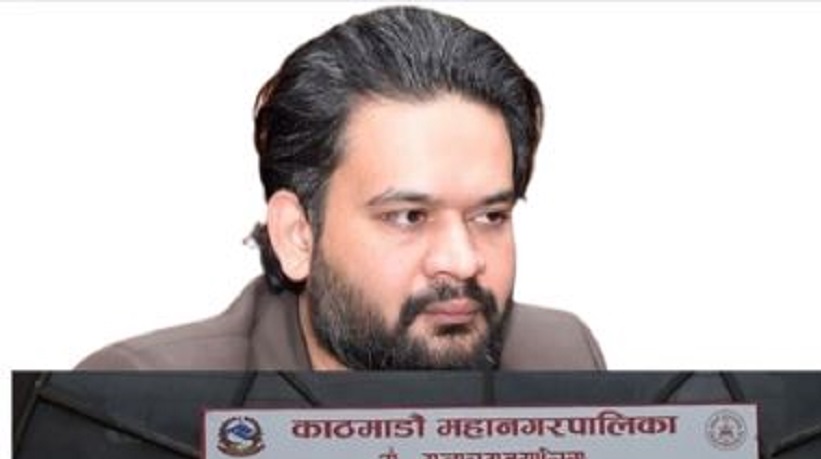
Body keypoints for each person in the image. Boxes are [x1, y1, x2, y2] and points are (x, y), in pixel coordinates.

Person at [77, 5, 605, 371]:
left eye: (490, 216)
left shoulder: (559, 358)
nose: (463, 262)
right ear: (297, 235)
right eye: (409, 216)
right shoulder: (144, 396)